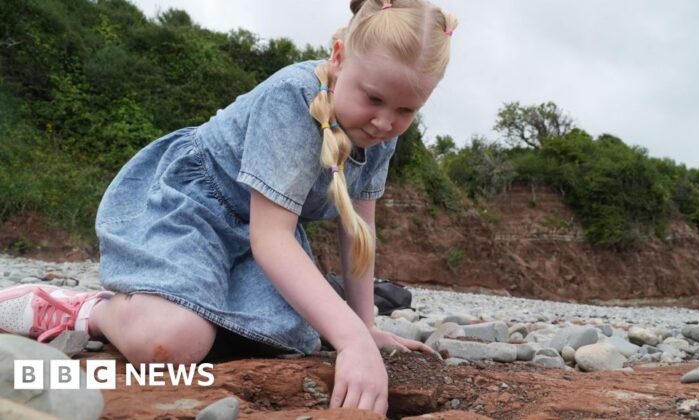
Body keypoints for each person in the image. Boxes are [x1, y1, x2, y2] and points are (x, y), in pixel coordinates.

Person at [0, 0, 456, 414]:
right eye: (373, 98)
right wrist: (351, 341)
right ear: (338, 57)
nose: (384, 121)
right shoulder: (293, 99)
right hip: (192, 206)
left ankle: (195, 299)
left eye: (405, 111)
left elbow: (359, 232)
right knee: (172, 343)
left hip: (254, 234)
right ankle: (81, 310)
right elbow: (271, 237)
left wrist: (364, 326)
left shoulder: (379, 135)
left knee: (287, 339)